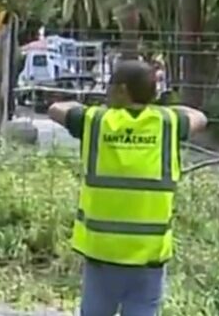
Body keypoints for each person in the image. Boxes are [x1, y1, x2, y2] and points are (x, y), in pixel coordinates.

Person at [48, 59, 208, 316]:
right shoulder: (167, 123)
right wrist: (155, 106)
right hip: (149, 257)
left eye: (110, 87)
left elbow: (56, 109)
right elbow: (199, 117)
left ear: (122, 90)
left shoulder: (96, 121)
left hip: (103, 254)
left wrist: (94, 106)